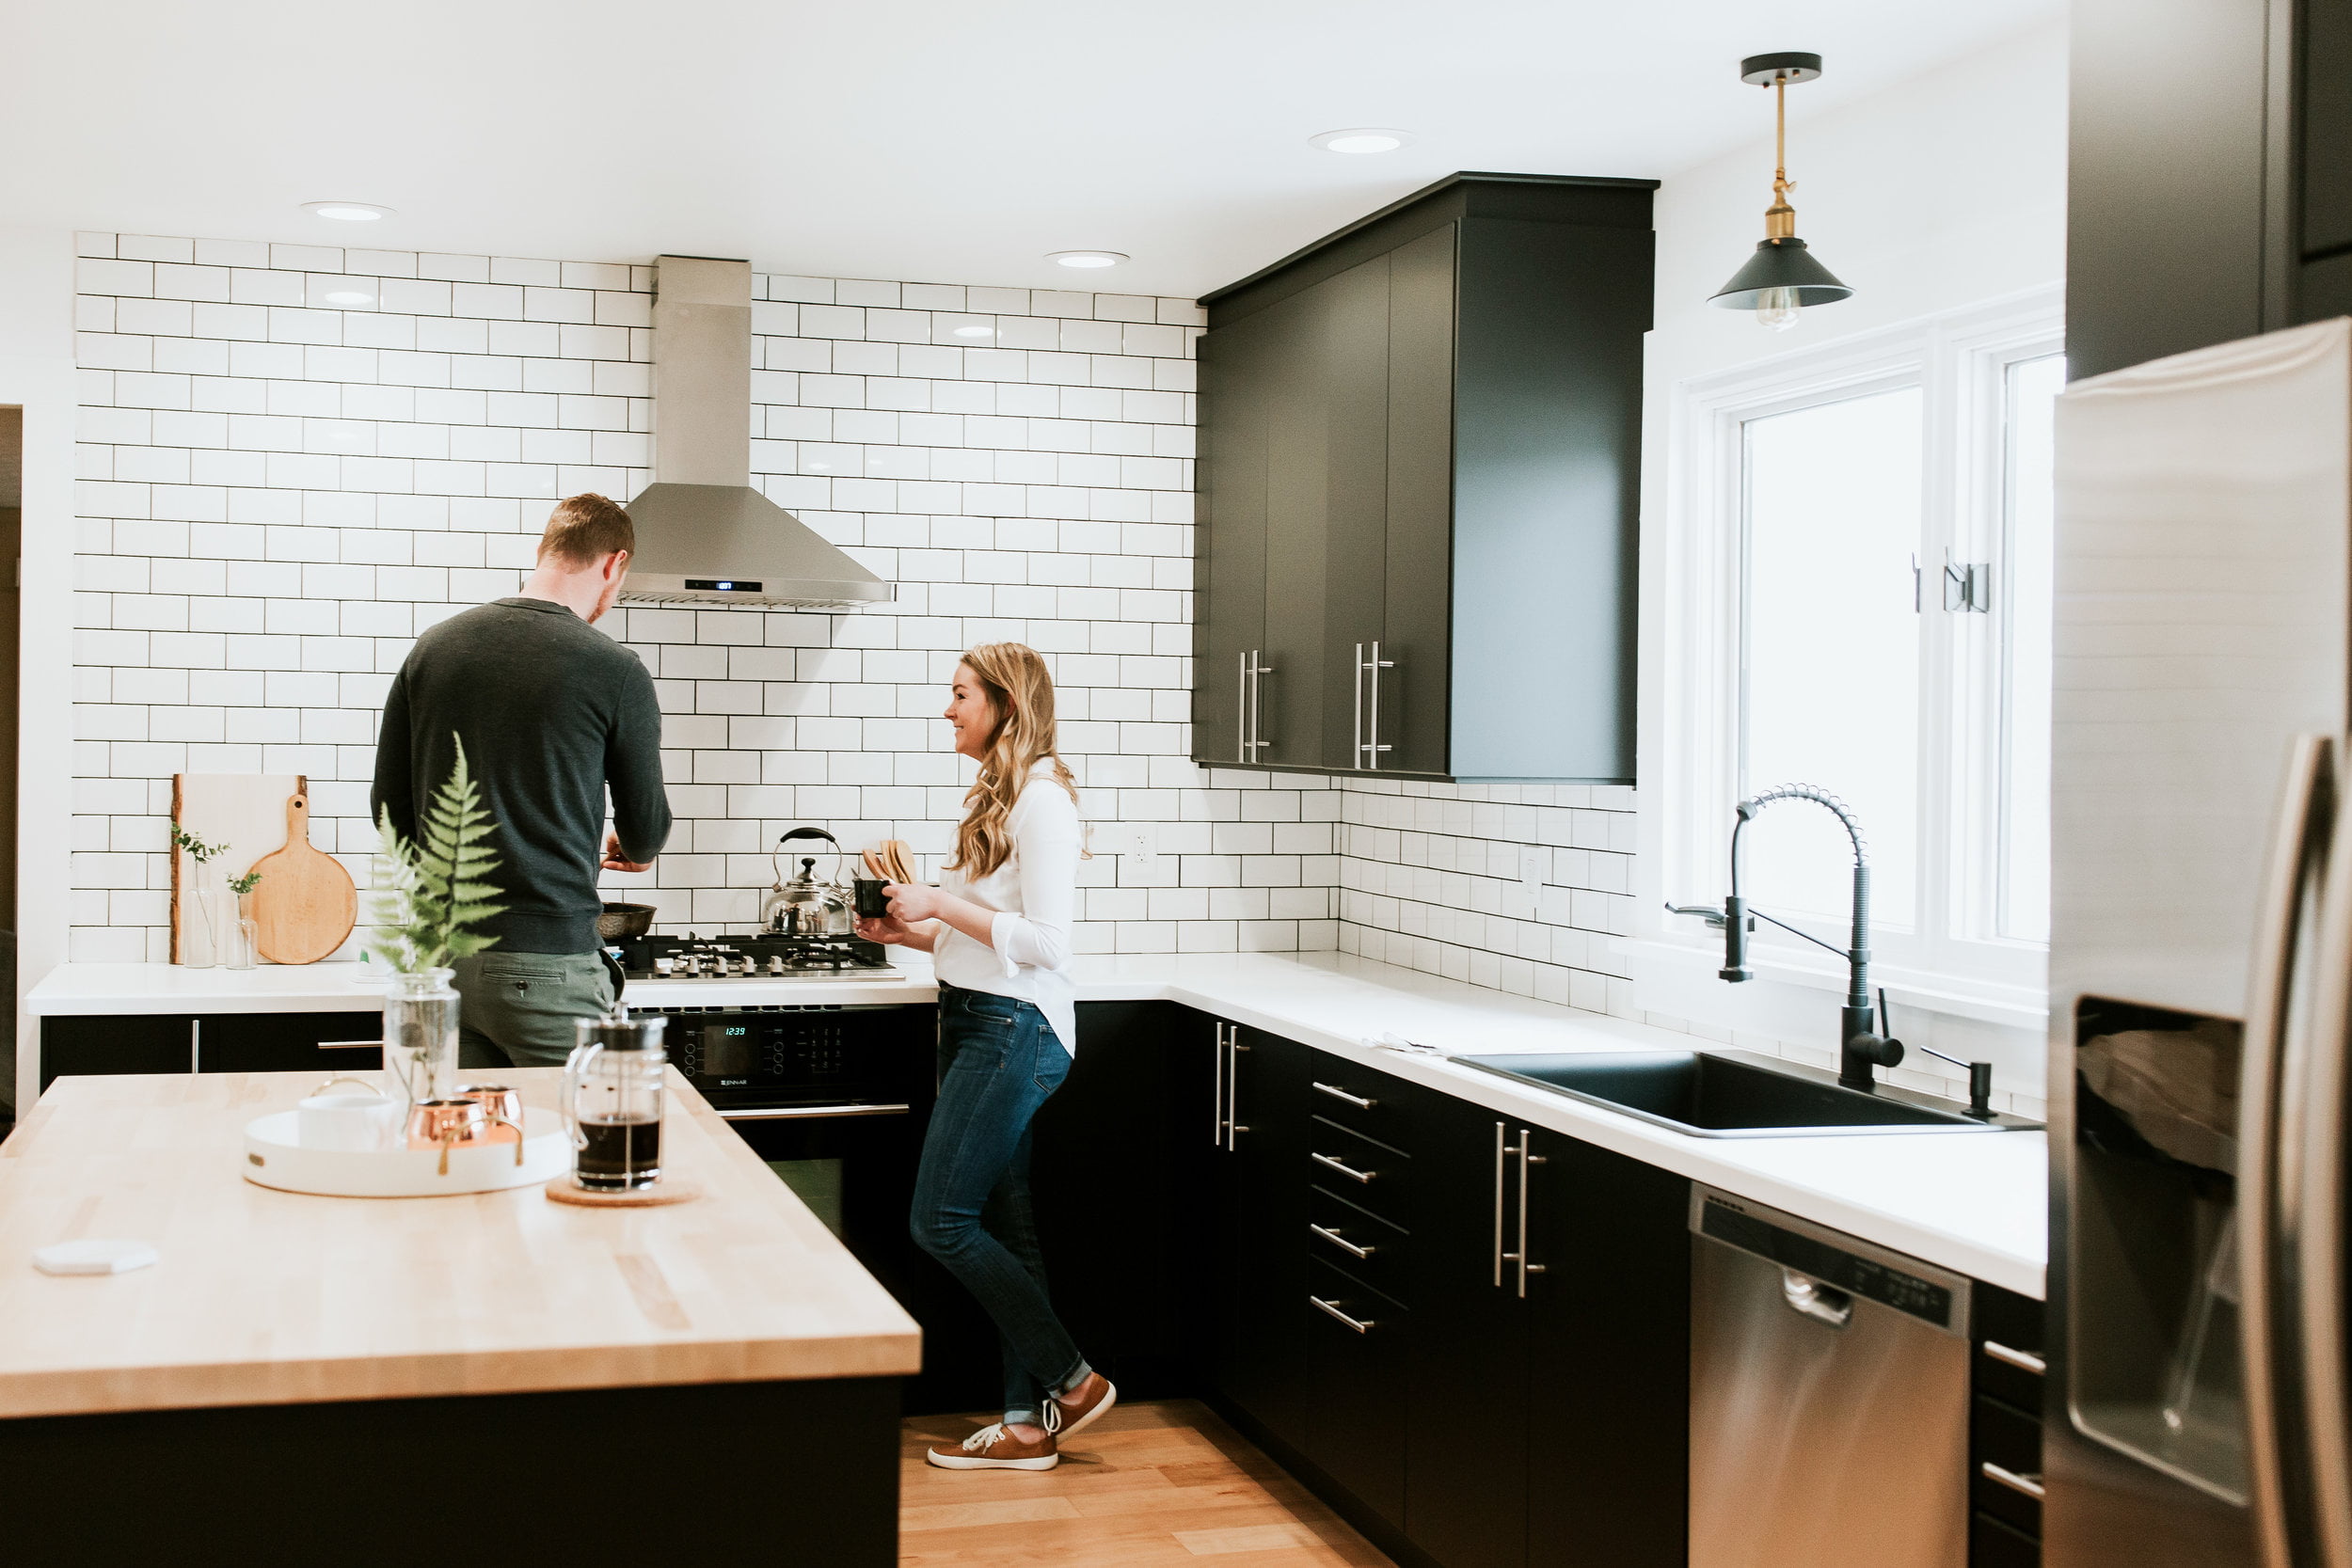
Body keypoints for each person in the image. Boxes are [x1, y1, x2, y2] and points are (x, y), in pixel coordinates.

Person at [856, 642, 1114, 1471]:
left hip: (1014, 1030)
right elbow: (979, 937)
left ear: (1006, 703)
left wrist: (939, 901)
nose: (949, 708)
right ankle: (1026, 1424)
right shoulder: (997, 798)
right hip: (978, 1016)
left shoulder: (1043, 801)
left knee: (940, 1220)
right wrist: (911, 928)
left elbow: (1043, 943)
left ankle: (1073, 1381)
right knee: (1006, 1220)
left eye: (962, 693)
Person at [370, 493, 671, 1069]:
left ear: (546, 552)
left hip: (443, 962)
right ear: (614, 564)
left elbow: (390, 810)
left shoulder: (434, 648)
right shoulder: (614, 668)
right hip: (548, 965)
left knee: (458, 1147)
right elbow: (645, 827)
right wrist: (632, 848)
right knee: (576, 1148)